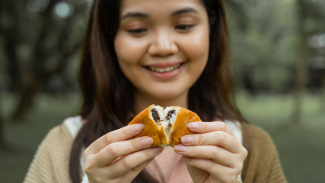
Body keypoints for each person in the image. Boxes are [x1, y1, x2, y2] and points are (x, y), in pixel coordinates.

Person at [24, 0, 287, 183]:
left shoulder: (252, 148)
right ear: (109, 39)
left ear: (212, 30)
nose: (163, 47)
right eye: (137, 29)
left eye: (184, 25)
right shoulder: (63, 146)